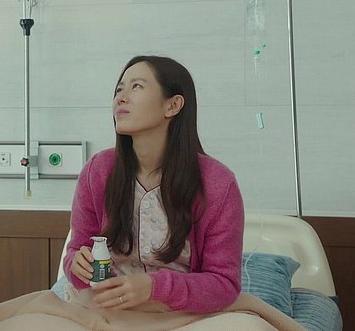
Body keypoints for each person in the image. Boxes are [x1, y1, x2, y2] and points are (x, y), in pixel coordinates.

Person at [64, 55, 245, 313]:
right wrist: (77, 264)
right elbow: (75, 252)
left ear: (173, 105)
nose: (121, 98)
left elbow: (223, 284)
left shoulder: (217, 183)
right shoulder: (98, 172)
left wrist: (154, 287)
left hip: (183, 316)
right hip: (106, 310)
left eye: (136, 86)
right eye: (119, 89)